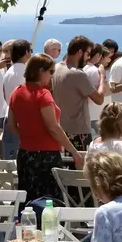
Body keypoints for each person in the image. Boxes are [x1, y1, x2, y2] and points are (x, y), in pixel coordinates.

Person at [6, 53, 84, 201]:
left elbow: (11, 126)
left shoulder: (16, 92)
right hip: (46, 156)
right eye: (51, 72)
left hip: (25, 154)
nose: (52, 76)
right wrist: (74, 152)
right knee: (48, 201)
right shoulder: (43, 95)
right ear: (41, 71)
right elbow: (53, 127)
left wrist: (28, 135)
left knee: (28, 200)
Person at [53, 35, 108, 153]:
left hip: (61, 128)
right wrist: (102, 76)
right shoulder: (78, 74)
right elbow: (99, 99)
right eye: (88, 54)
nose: (88, 58)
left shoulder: (56, 68)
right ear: (79, 52)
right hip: (78, 131)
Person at [0, 40, 34, 159]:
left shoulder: (8, 72)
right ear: (26, 52)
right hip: (21, 120)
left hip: (8, 116)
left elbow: (5, 95)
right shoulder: (26, 72)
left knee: (9, 158)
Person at [84, 44, 109, 137]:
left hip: (87, 114)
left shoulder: (83, 68)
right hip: (95, 115)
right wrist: (103, 75)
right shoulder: (94, 71)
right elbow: (99, 93)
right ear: (98, 55)